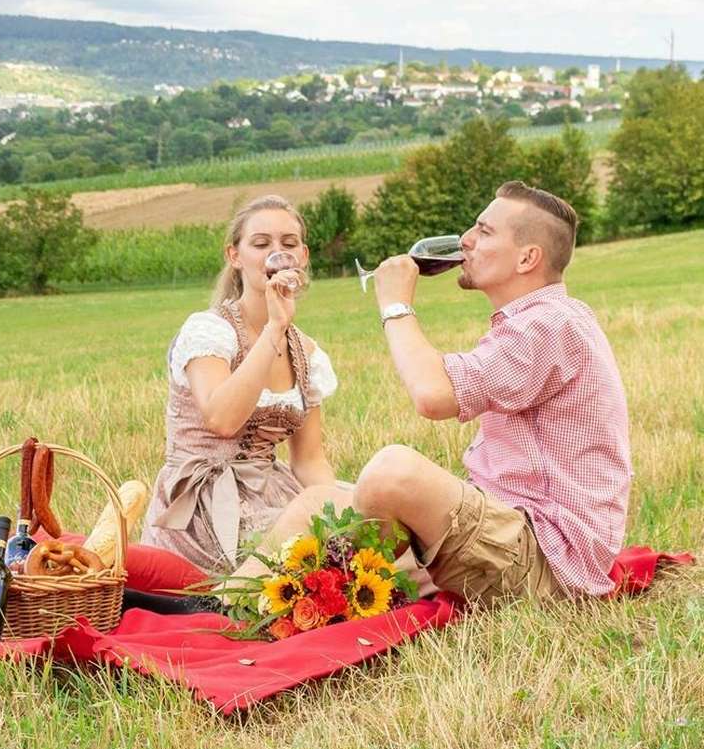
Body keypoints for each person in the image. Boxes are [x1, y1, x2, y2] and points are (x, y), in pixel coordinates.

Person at [350, 180, 631, 603]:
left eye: (484, 231)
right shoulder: (536, 320)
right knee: (316, 502)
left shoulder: (548, 325)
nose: (465, 240)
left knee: (391, 473)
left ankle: (349, 595)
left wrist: (395, 305)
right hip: (507, 528)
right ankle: (229, 606)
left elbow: (433, 394)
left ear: (527, 258)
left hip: (547, 560)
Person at [138, 195, 347, 576]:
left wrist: (341, 522)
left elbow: (309, 461)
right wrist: (274, 328)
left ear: (302, 257)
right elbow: (222, 418)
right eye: (261, 244)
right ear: (235, 255)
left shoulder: (308, 354)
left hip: (270, 492)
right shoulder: (209, 331)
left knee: (368, 522)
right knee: (308, 563)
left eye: (287, 244)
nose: (276, 254)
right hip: (201, 507)